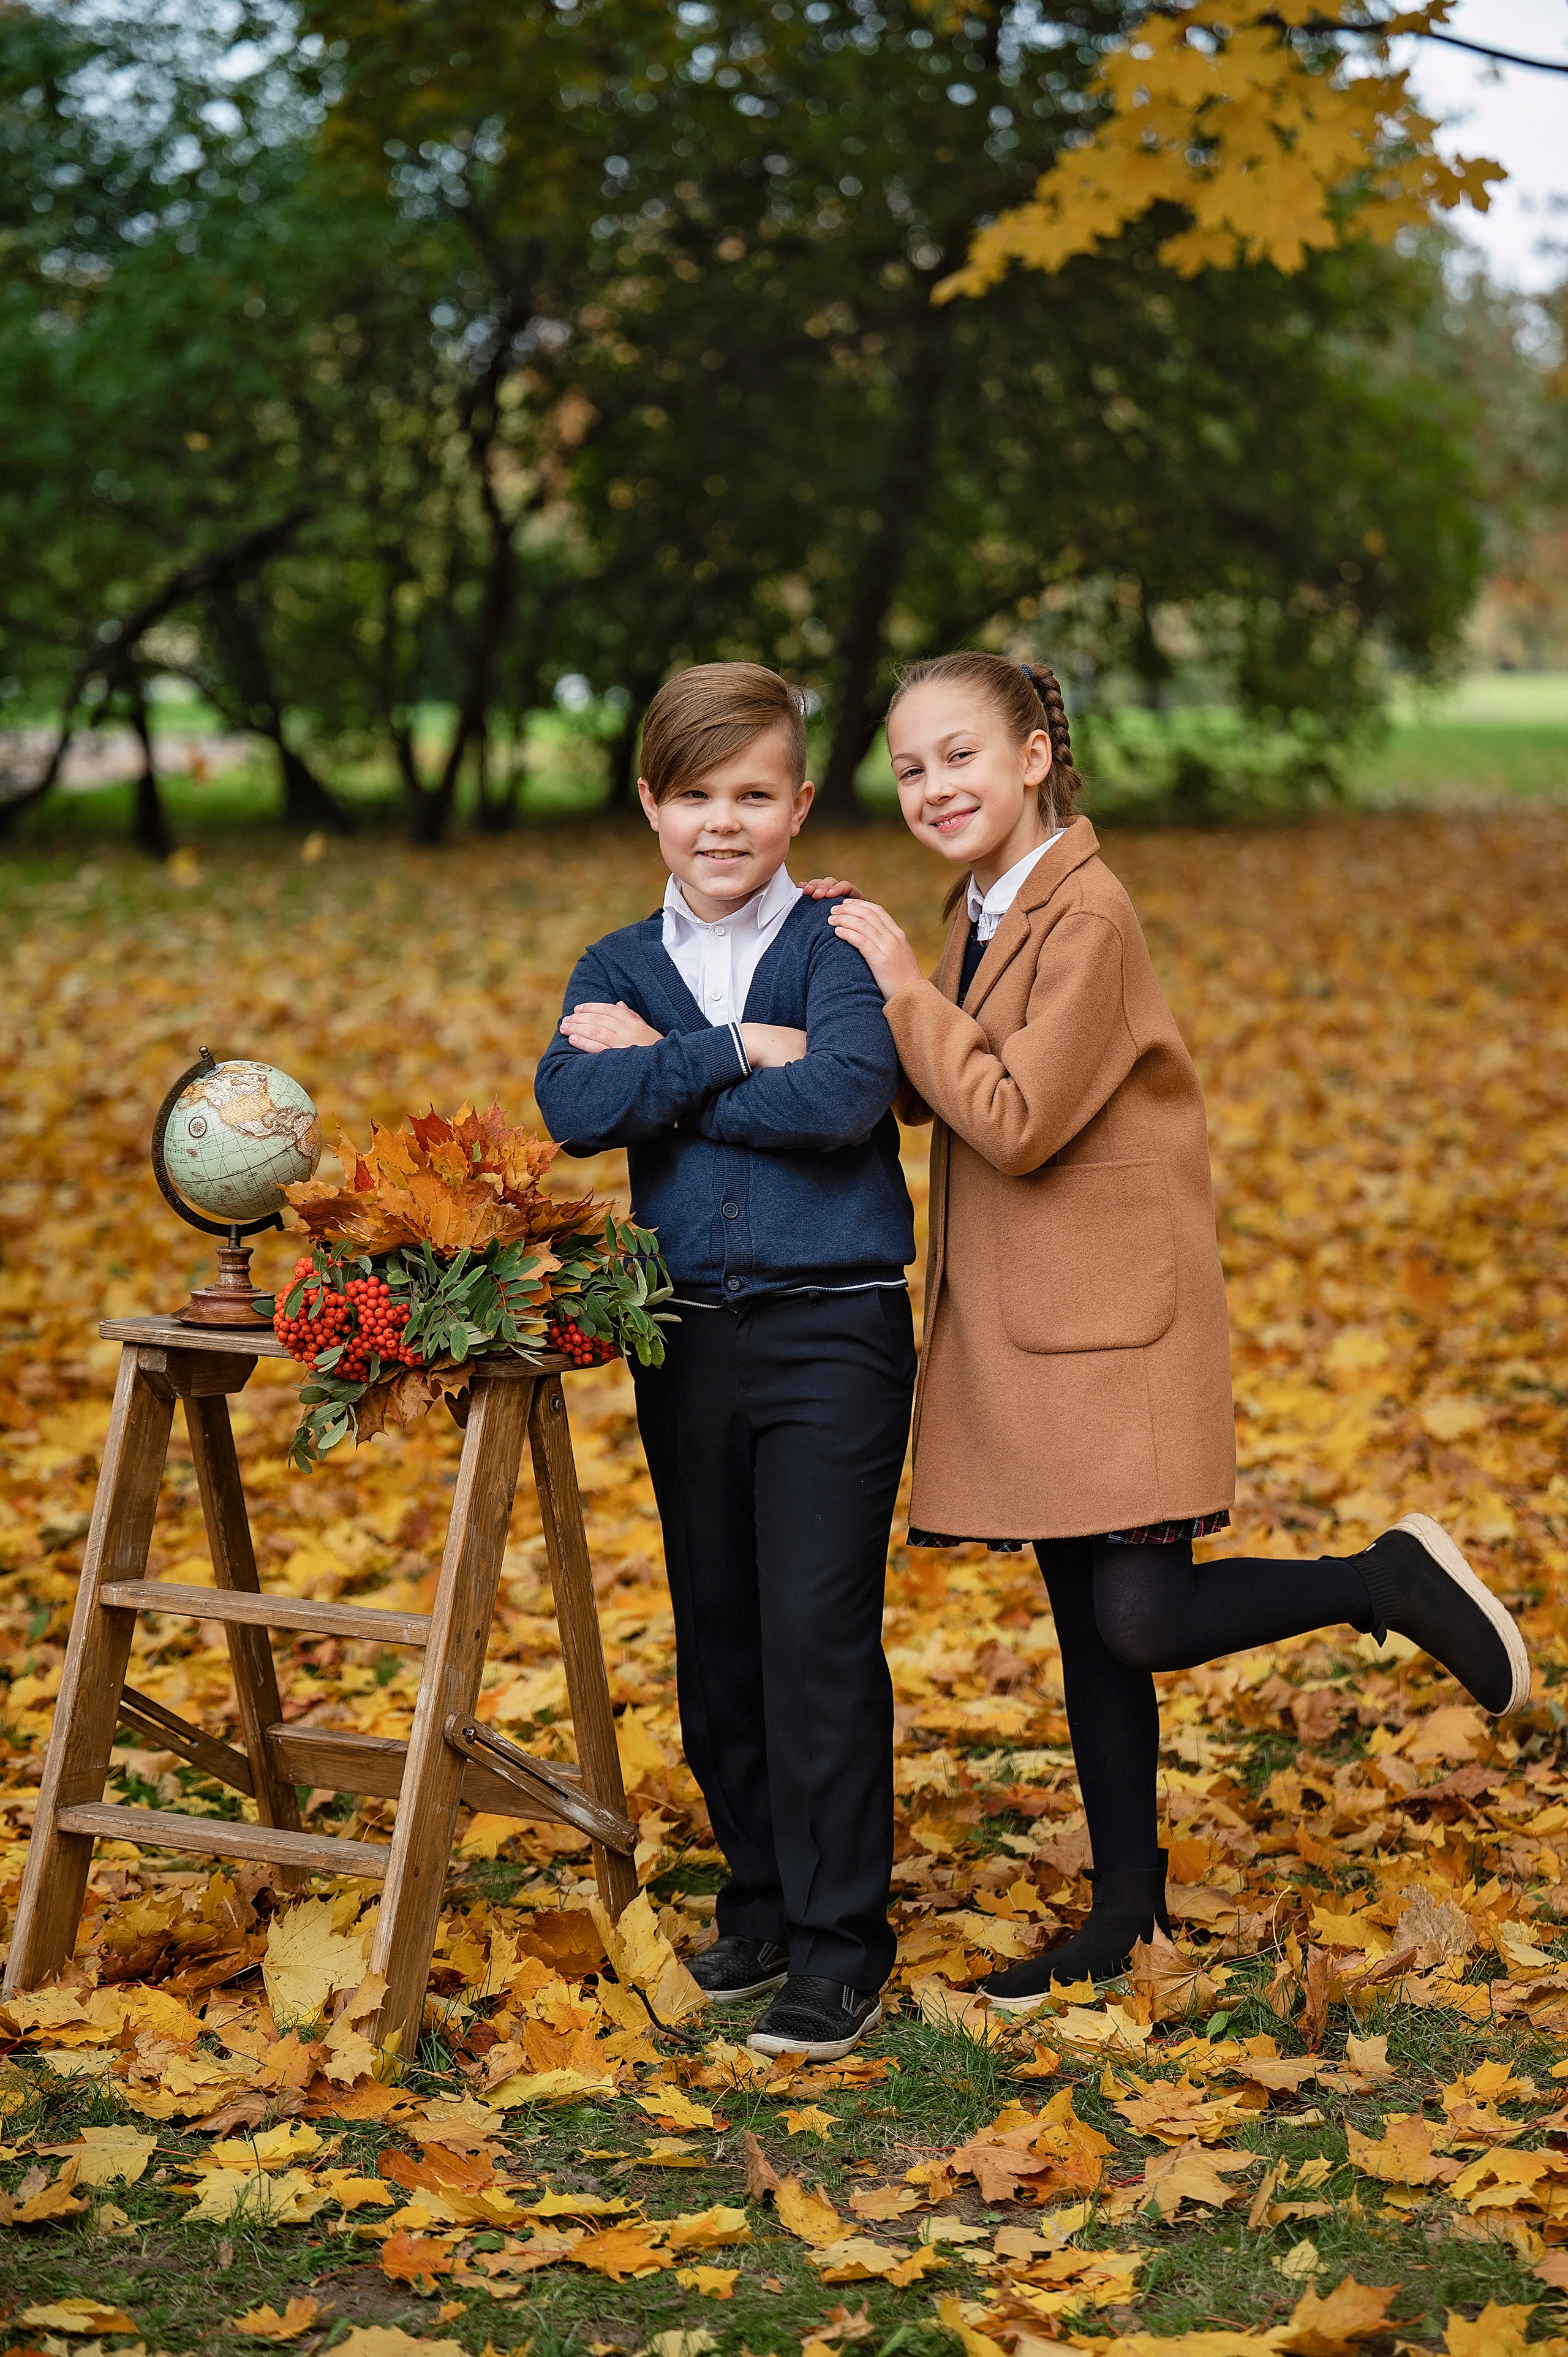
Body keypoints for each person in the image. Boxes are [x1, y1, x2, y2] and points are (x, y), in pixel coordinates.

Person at [815, 650, 1531, 2008]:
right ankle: (1125, 1910)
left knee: (1138, 1614)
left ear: (1032, 757)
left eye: (959, 755)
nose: (931, 786)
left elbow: (1013, 1116)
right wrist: (856, 991)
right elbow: (931, 1091)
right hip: (1035, 1320)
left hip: (1111, 1321)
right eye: (909, 767)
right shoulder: (979, 905)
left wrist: (903, 988)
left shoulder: (1086, 914)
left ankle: (1376, 1581)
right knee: (1087, 1621)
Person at [533, 660, 916, 2059]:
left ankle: (838, 1940)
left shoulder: (825, 943)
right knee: (721, 1630)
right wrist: (734, 1049)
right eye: (693, 793)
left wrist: (682, 1065)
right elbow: (574, 1099)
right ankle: (759, 1896)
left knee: (816, 1632)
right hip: (684, 1334)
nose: (721, 821)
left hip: (834, 1328)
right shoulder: (611, 965)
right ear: (648, 803)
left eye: (752, 794)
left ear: (798, 803)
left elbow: (842, 1095)